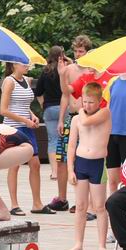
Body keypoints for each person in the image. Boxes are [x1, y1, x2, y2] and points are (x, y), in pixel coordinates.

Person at [0, 62, 53, 215]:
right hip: (13, 128)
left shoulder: (26, 80)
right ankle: (14, 205)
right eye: (23, 63)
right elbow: (3, 110)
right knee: (14, 165)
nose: (27, 65)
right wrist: (24, 120)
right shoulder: (9, 81)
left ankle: (37, 204)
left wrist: (32, 115)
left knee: (35, 164)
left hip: (27, 128)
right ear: (14, 65)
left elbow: (23, 105)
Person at [65, 83, 111, 250]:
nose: (87, 105)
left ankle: (102, 245)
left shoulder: (105, 113)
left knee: (99, 206)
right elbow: (71, 146)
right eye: (84, 102)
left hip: (98, 164)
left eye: (91, 102)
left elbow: (86, 120)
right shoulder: (76, 120)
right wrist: (70, 170)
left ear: (99, 101)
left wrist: (80, 111)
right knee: (80, 206)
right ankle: (78, 243)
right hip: (81, 163)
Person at [49, 35, 92, 211]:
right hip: (71, 116)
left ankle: (81, 200)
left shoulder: (92, 70)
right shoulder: (69, 69)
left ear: (88, 52)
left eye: (81, 51)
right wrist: (61, 119)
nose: (78, 54)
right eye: (76, 51)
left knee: (81, 160)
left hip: (87, 118)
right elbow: (65, 95)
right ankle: (62, 198)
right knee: (62, 158)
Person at [34, 46, 64, 180]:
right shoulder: (64, 70)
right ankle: (67, 170)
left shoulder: (45, 71)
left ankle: (55, 172)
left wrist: (42, 104)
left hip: (49, 108)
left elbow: (38, 92)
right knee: (66, 139)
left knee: (53, 140)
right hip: (64, 108)